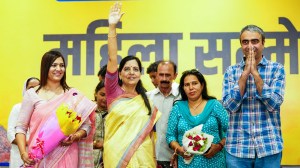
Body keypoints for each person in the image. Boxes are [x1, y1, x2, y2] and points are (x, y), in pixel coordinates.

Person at [103, 2, 161, 167]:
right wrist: (112, 27)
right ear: (119, 73)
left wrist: (154, 159)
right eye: (127, 69)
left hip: (144, 157)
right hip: (116, 156)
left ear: (140, 74)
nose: (131, 72)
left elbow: (150, 135)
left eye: (135, 69)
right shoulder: (113, 91)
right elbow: (112, 58)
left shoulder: (145, 100)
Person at [15, 50, 96, 167]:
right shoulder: (32, 94)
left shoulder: (73, 96)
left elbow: (87, 126)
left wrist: (75, 136)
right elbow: (21, 127)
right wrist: (23, 153)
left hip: (66, 154)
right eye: (54, 65)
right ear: (45, 67)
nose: (59, 69)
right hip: (39, 157)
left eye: (62, 65)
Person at [222, 25, 285, 168]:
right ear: (241, 45)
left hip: (269, 147)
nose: (250, 46)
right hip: (237, 149)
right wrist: (244, 75)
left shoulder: (277, 69)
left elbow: (273, 104)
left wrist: (255, 74)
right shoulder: (231, 71)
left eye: (255, 41)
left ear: (263, 43)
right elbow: (230, 107)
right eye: (245, 42)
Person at [166, 69, 228, 168]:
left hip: (214, 162)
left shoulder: (214, 105)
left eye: (195, 83)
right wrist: (179, 149)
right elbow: (170, 136)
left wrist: (219, 146)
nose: (191, 88)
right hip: (186, 164)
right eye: (187, 85)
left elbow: (231, 130)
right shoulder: (177, 108)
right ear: (183, 88)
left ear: (202, 85)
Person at [147, 60, 180, 168]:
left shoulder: (183, 97)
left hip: (177, 159)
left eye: (168, 75)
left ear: (175, 76)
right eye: (161, 75)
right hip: (151, 159)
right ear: (156, 75)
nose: (164, 79)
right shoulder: (147, 98)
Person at [7, 77, 40, 168]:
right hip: (19, 156)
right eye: (30, 88)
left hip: (38, 156)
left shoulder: (42, 110)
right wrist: (27, 143)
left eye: (37, 87)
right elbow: (10, 134)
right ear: (25, 90)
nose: (33, 91)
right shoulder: (18, 108)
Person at [93, 80, 107, 168]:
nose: (105, 99)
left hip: (109, 162)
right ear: (95, 94)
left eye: (109, 95)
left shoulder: (116, 115)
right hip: (88, 161)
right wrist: (95, 144)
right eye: (102, 94)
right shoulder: (87, 113)